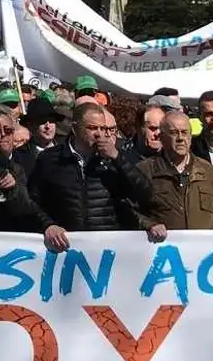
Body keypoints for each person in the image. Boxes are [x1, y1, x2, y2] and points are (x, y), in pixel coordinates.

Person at [28, 103, 153, 252]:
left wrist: (117, 158)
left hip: (107, 246)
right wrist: (47, 225)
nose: (99, 134)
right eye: (92, 128)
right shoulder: (50, 159)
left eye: (103, 129)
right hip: (67, 247)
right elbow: (32, 201)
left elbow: (145, 193)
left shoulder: (115, 157)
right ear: (75, 128)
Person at [136, 112, 213, 242]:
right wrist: (149, 225)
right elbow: (130, 211)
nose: (180, 138)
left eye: (184, 132)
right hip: (165, 254)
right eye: (174, 133)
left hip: (202, 254)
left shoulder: (207, 170)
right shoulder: (145, 170)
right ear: (162, 137)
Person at [13, 98, 64, 177]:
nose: (48, 126)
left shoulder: (66, 149)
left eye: (51, 120)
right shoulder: (19, 156)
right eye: (42, 121)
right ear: (30, 125)